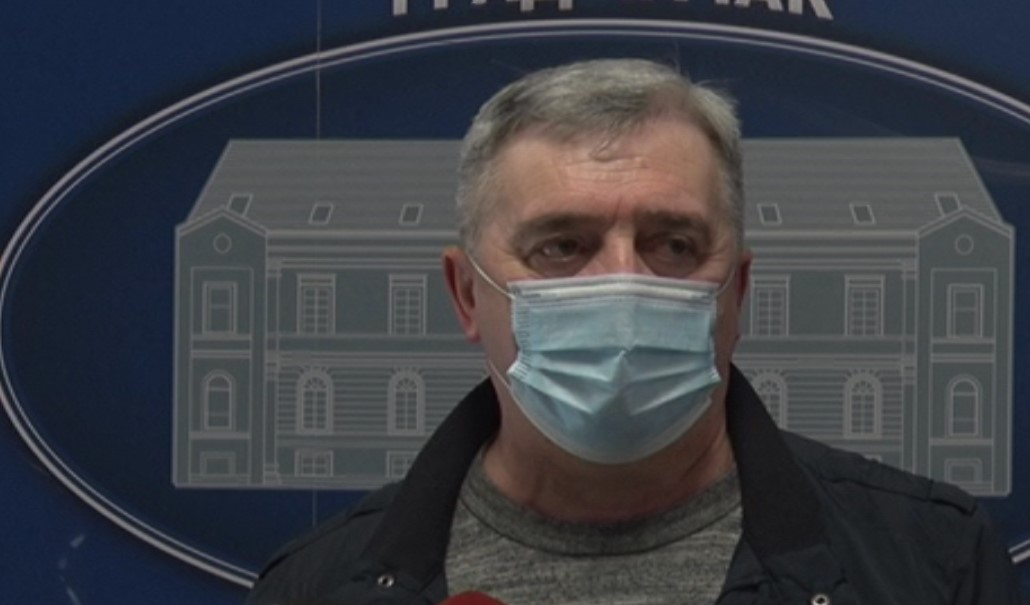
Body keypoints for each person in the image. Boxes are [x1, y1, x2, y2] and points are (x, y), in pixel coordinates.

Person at [247, 59, 1027, 605]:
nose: (623, 285)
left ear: (737, 292)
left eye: (674, 245)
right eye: (561, 246)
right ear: (466, 294)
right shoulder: (318, 588)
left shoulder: (931, 566)